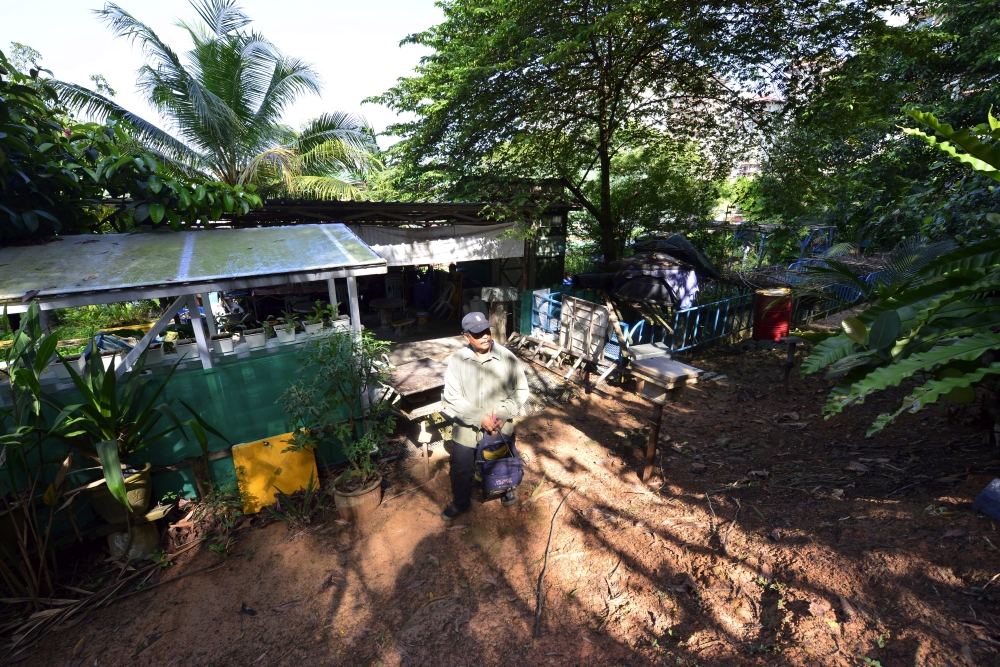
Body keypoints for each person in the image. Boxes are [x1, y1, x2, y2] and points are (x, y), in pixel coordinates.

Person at [441, 311, 529, 521]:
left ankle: (506, 490)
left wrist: (505, 412)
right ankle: (461, 503)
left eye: (487, 331)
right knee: (461, 469)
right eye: (478, 333)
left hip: (500, 426)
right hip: (467, 430)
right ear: (466, 336)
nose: (485, 336)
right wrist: (478, 417)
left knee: (503, 460)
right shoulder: (458, 361)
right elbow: (452, 396)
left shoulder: (507, 358)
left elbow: (521, 390)